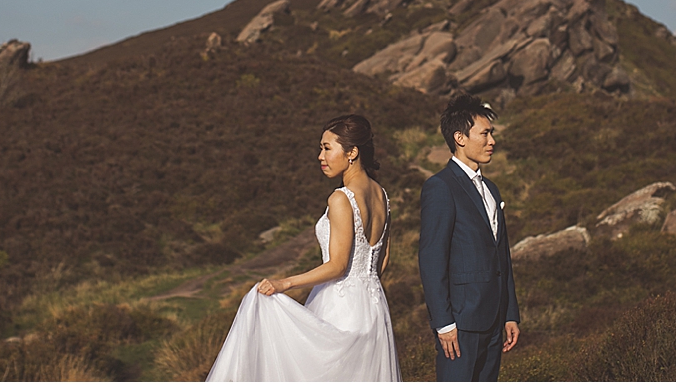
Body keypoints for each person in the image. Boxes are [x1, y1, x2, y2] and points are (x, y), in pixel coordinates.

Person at [204, 114, 401, 381]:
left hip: (340, 307)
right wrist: (364, 287)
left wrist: (284, 284)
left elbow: (338, 266)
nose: (320, 156)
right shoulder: (382, 195)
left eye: (327, 148)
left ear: (352, 152)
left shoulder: (341, 198)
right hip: (374, 309)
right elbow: (382, 261)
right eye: (321, 148)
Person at [419, 93, 520, 382]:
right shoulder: (440, 187)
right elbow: (431, 259)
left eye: (492, 133)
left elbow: (503, 256)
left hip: (494, 318)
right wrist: (444, 322)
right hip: (460, 324)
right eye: (485, 133)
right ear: (460, 137)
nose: (492, 141)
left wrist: (510, 312)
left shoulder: (493, 189)